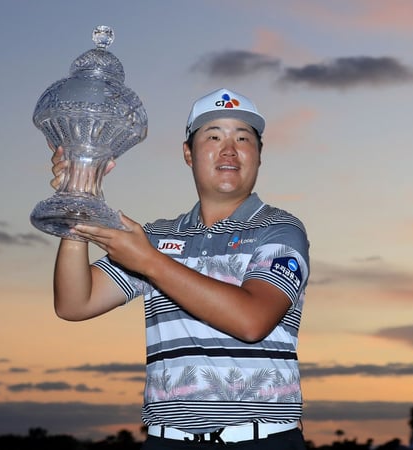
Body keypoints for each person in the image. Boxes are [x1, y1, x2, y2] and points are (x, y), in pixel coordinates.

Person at [50, 88, 310, 449]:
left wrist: (149, 262)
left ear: (259, 155)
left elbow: (253, 320)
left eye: (243, 138)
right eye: (213, 136)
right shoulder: (155, 237)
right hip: (166, 441)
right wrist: (79, 204)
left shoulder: (280, 229)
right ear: (188, 154)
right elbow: (75, 303)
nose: (229, 149)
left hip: (262, 439)